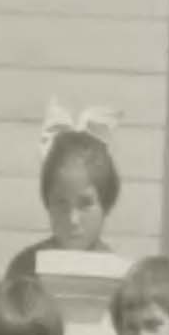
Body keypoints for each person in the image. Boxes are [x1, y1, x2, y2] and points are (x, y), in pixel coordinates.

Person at [10, 115, 122, 278]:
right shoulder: (24, 269)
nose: (73, 219)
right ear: (47, 202)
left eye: (85, 204)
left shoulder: (119, 276)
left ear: (106, 203)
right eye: (61, 203)